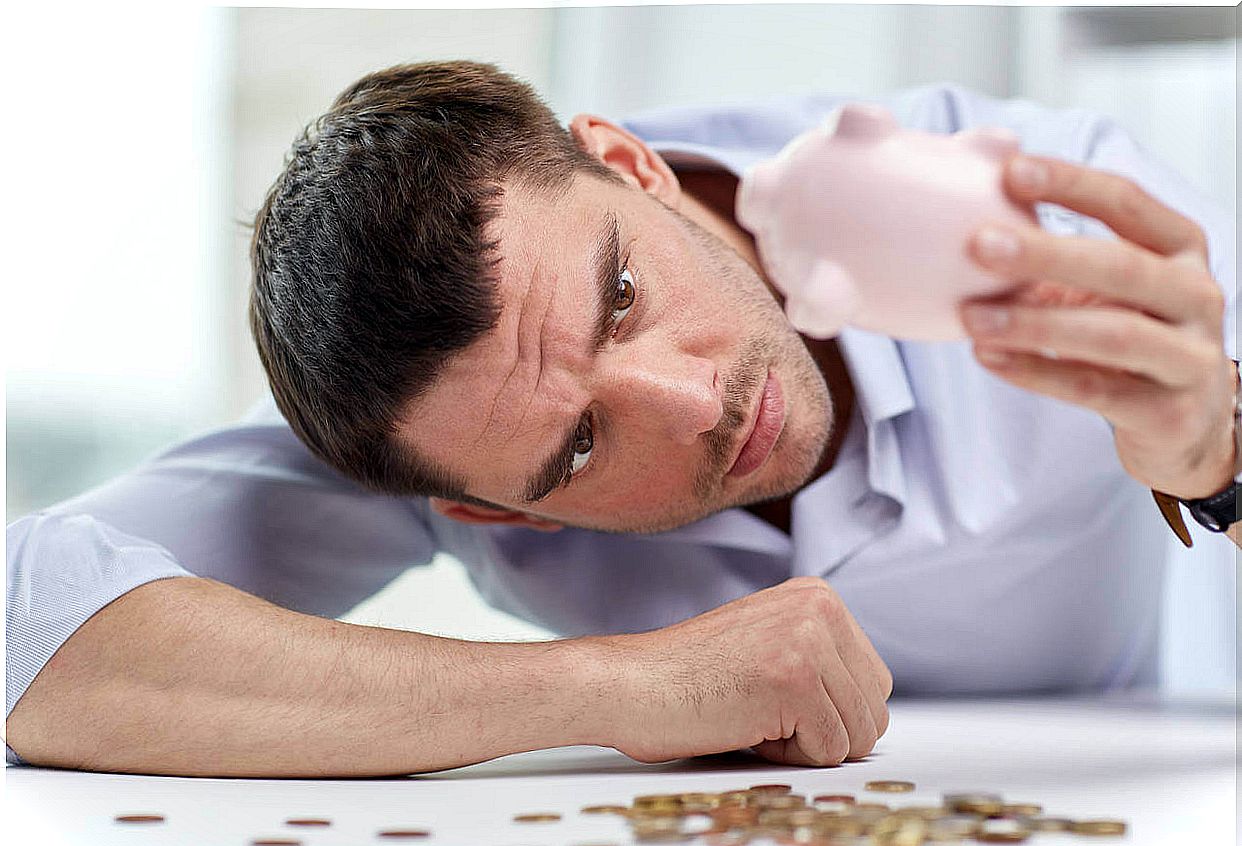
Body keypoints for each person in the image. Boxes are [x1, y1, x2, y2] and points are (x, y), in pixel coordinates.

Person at [6, 62, 1236, 777]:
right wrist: (612, 688)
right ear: (488, 508)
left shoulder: (1029, 208)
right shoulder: (420, 431)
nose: (700, 401)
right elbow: (27, 628)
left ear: (630, 162)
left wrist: (1223, 460)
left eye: (624, 295)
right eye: (578, 448)